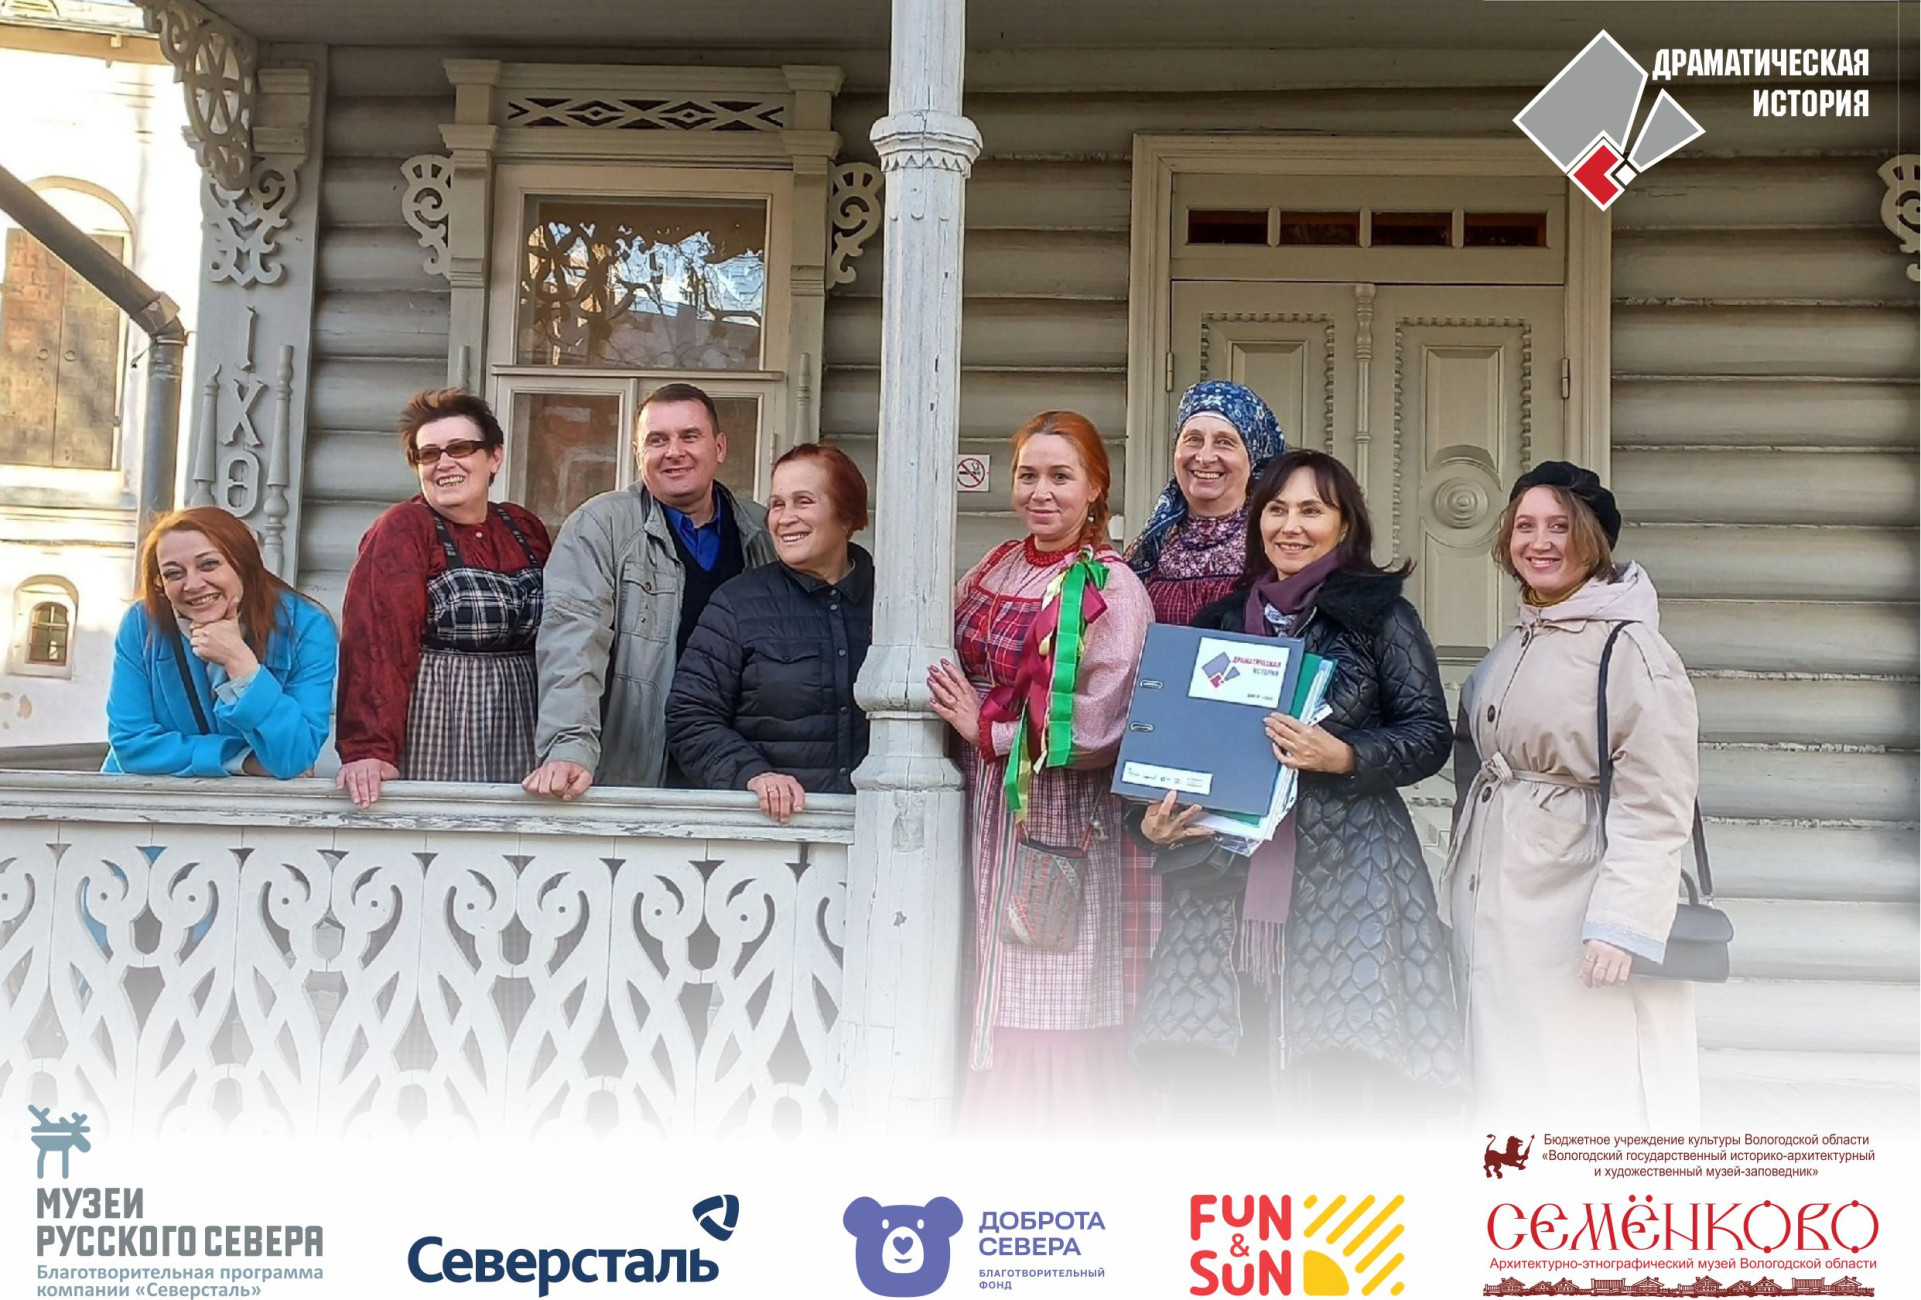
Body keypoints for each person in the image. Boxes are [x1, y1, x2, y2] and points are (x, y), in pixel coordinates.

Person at [1131, 449, 1463, 1123]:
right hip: (1226, 880)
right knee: (1229, 1082)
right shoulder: (1223, 623)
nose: (1290, 526)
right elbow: (1179, 752)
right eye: (1277, 509)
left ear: (1344, 524)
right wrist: (1154, 824)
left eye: (1311, 510)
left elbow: (1430, 733)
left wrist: (1345, 755)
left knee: (1339, 1077)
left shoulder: (1378, 616)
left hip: (1351, 874)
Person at [1445, 462, 1701, 1129]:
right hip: (1506, 905)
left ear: (1593, 539)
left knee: (1582, 1082)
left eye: (1559, 527)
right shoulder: (1519, 638)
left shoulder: (1630, 648)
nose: (1539, 542)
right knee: (1511, 1082)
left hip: (1575, 906)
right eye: (1524, 526)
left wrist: (1621, 925)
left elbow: (1657, 800)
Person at [925, 410, 1156, 1128]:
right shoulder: (995, 564)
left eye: (1061, 477)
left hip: (1053, 811)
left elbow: (1104, 720)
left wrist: (988, 730)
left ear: (1095, 488)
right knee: (975, 976)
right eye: (1028, 475)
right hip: (973, 804)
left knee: (1042, 975)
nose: (1041, 492)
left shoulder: (1111, 586)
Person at [525, 382, 775, 798]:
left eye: (689, 436)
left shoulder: (761, 531)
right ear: (637, 453)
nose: (674, 451)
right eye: (657, 440)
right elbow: (572, 646)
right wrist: (569, 748)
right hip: (637, 777)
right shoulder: (600, 527)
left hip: (744, 777)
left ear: (719, 447)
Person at [334, 389, 551, 807]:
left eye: (460, 448)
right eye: (429, 454)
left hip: (525, 720)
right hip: (442, 719)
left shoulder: (524, 528)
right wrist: (369, 750)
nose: (444, 463)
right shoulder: (404, 528)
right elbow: (375, 643)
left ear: (495, 457)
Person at [666, 443, 874, 822]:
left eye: (803, 501)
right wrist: (753, 775)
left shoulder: (894, 603)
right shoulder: (737, 603)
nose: (785, 518)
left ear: (846, 516)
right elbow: (690, 717)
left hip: (880, 826)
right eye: (777, 504)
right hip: (773, 829)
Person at [106, 506, 336, 778]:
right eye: (173, 573)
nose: (192, 584)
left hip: (251, 803)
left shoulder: (307, 628)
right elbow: (131, 746)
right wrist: (239, 760)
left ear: (243, 563)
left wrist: (239, 661)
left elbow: (295, 756)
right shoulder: (141, 624)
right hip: (142, 797)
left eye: (208, 565)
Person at [1127, 380, 1286, 625]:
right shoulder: (1151, 545)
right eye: (1193, 439)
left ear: (1252, 457)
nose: (1204, 457)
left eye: (1224, 442)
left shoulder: (1275, 538)